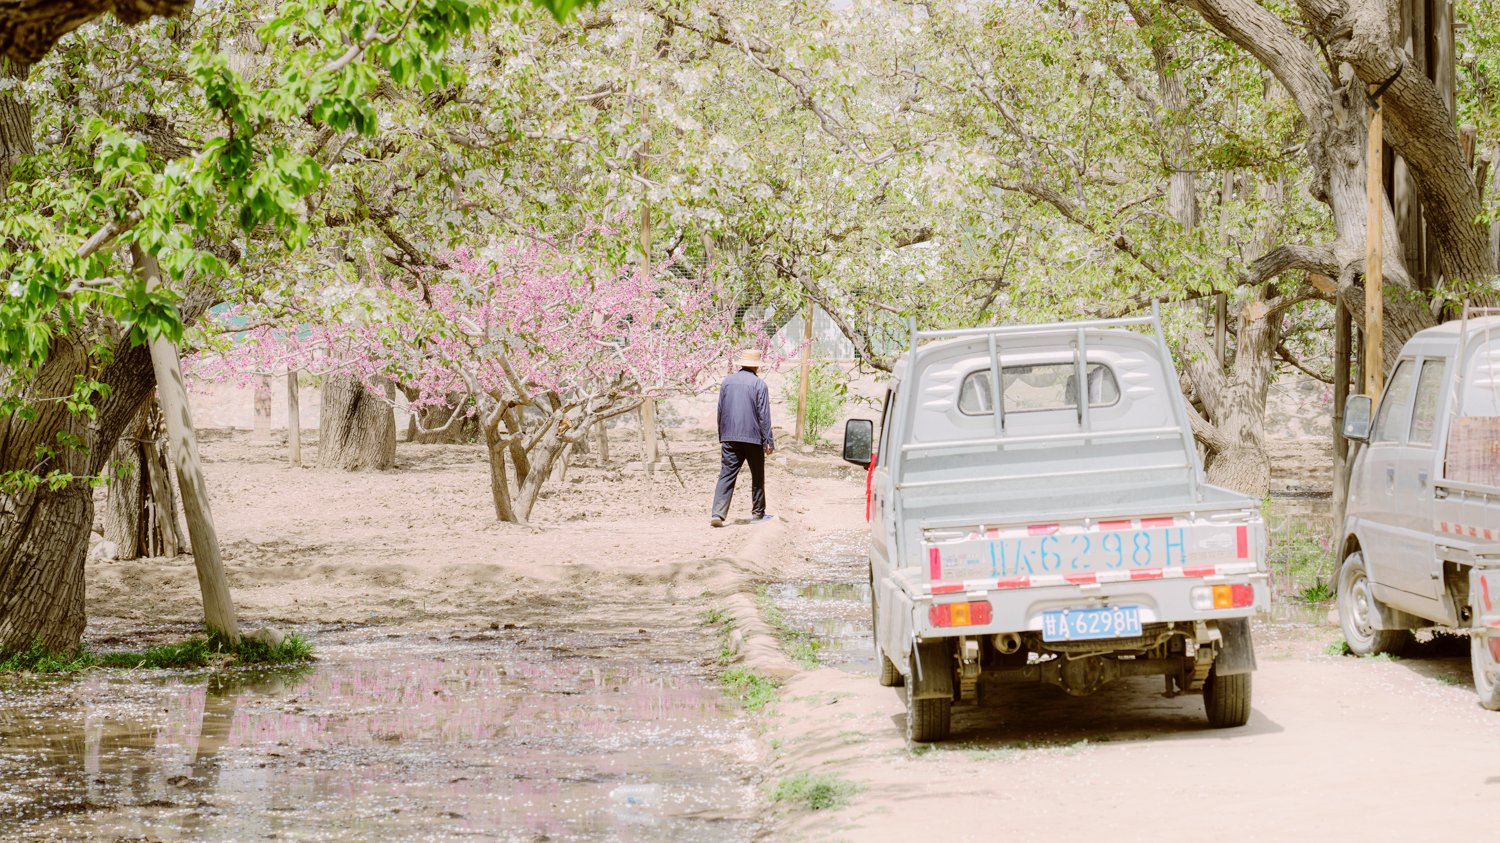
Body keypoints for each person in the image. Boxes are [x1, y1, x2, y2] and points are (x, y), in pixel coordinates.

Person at [711, 349, 775, 527]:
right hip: (753, 438)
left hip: (729, 437)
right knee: (757, 475)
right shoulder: (759, 385)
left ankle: (717, 513)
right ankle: (758, 514)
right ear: (756, 366)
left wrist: (722, 435)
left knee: (726, 474)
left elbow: (720, 411)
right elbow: (764, 415)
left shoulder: (727, 382)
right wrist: (768, 441)